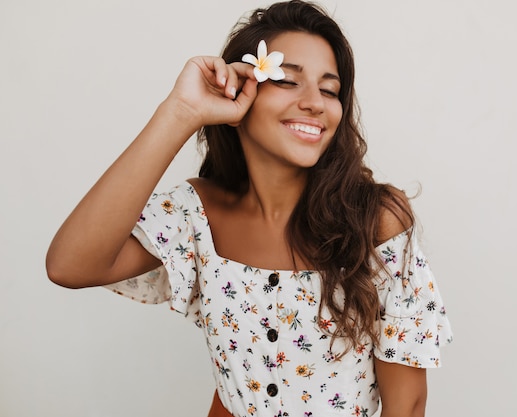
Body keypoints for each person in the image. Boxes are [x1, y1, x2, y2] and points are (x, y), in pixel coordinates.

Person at [46, 1, 452, 416]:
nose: (314, 102)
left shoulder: (376, 220)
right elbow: (70, 266)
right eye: (289, 81)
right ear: (239, 91)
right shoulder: (196, 216)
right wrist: (181, 112)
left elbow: (407, 404)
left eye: (330, 90)